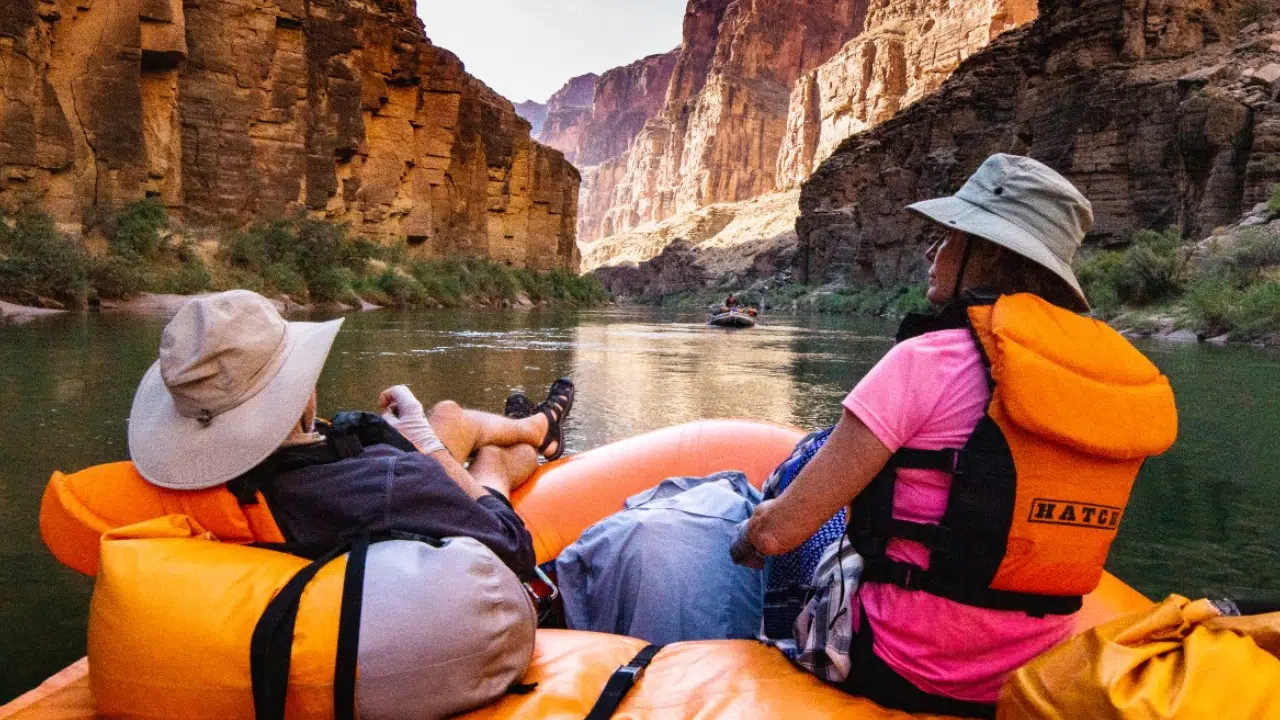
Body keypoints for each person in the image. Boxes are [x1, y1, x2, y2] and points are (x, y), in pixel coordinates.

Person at [560, 154, 1175, 718]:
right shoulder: (1112, 384)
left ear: (985, 255)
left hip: (896, 665)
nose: (932, 253)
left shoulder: (927, 361)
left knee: (775, 490)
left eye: (949, 239)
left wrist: (750, 537)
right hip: (1023, 672)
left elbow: (779, 533)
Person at [126, 289, 575, 579]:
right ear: (301, 394)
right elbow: (513, 548)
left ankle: (536, 426)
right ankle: (536, 433)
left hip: (315, 495)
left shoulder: (207, 485)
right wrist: (431, 451)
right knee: (496, 457)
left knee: (449, 412)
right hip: (377, 500)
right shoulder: (391, 485)